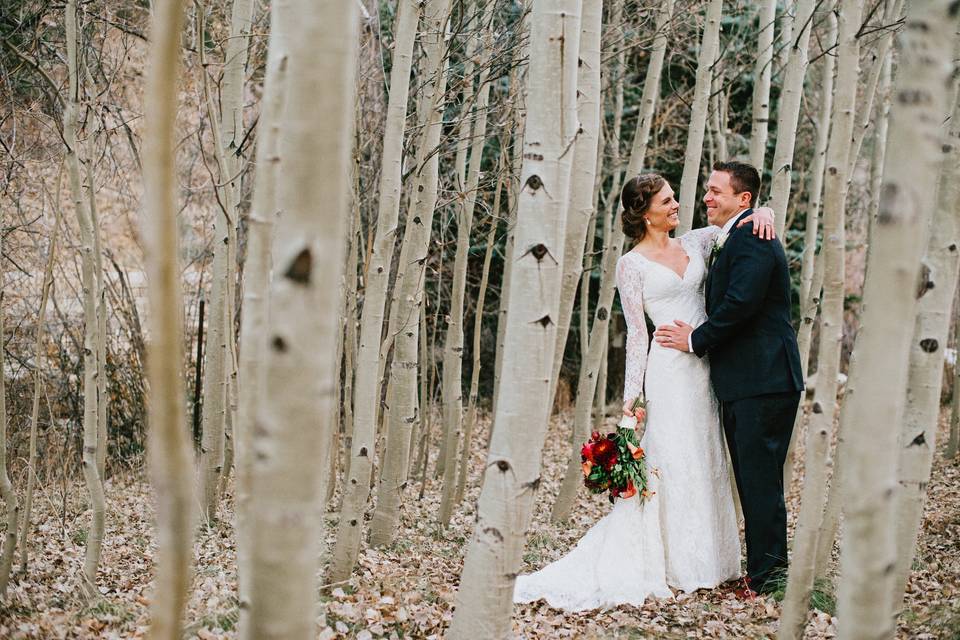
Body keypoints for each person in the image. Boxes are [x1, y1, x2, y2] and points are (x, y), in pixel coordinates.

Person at [512, 173, 775, 611]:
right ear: (644, 212)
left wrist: (764, 211)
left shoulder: (697, 241)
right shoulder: (631, 265)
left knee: (705, 456)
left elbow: (742, 218)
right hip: (668, 371)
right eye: (668, 200)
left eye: (675, 198)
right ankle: (674, 563)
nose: (677, 205)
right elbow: (637, 335)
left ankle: (711, 562)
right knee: (671, 459)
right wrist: (632, 404)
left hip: (707, 367)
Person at [654, 161, 803, 596]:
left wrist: (695, 339)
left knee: (760, 484)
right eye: (707, 189)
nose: (706, 197)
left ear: (743, 199)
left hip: (765, 379)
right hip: (748, 381)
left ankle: (769, 582)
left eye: (716, 191)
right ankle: (764, 574)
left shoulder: (755, 237)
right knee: (755, 481)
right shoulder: (730, 235)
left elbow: (740, 305)